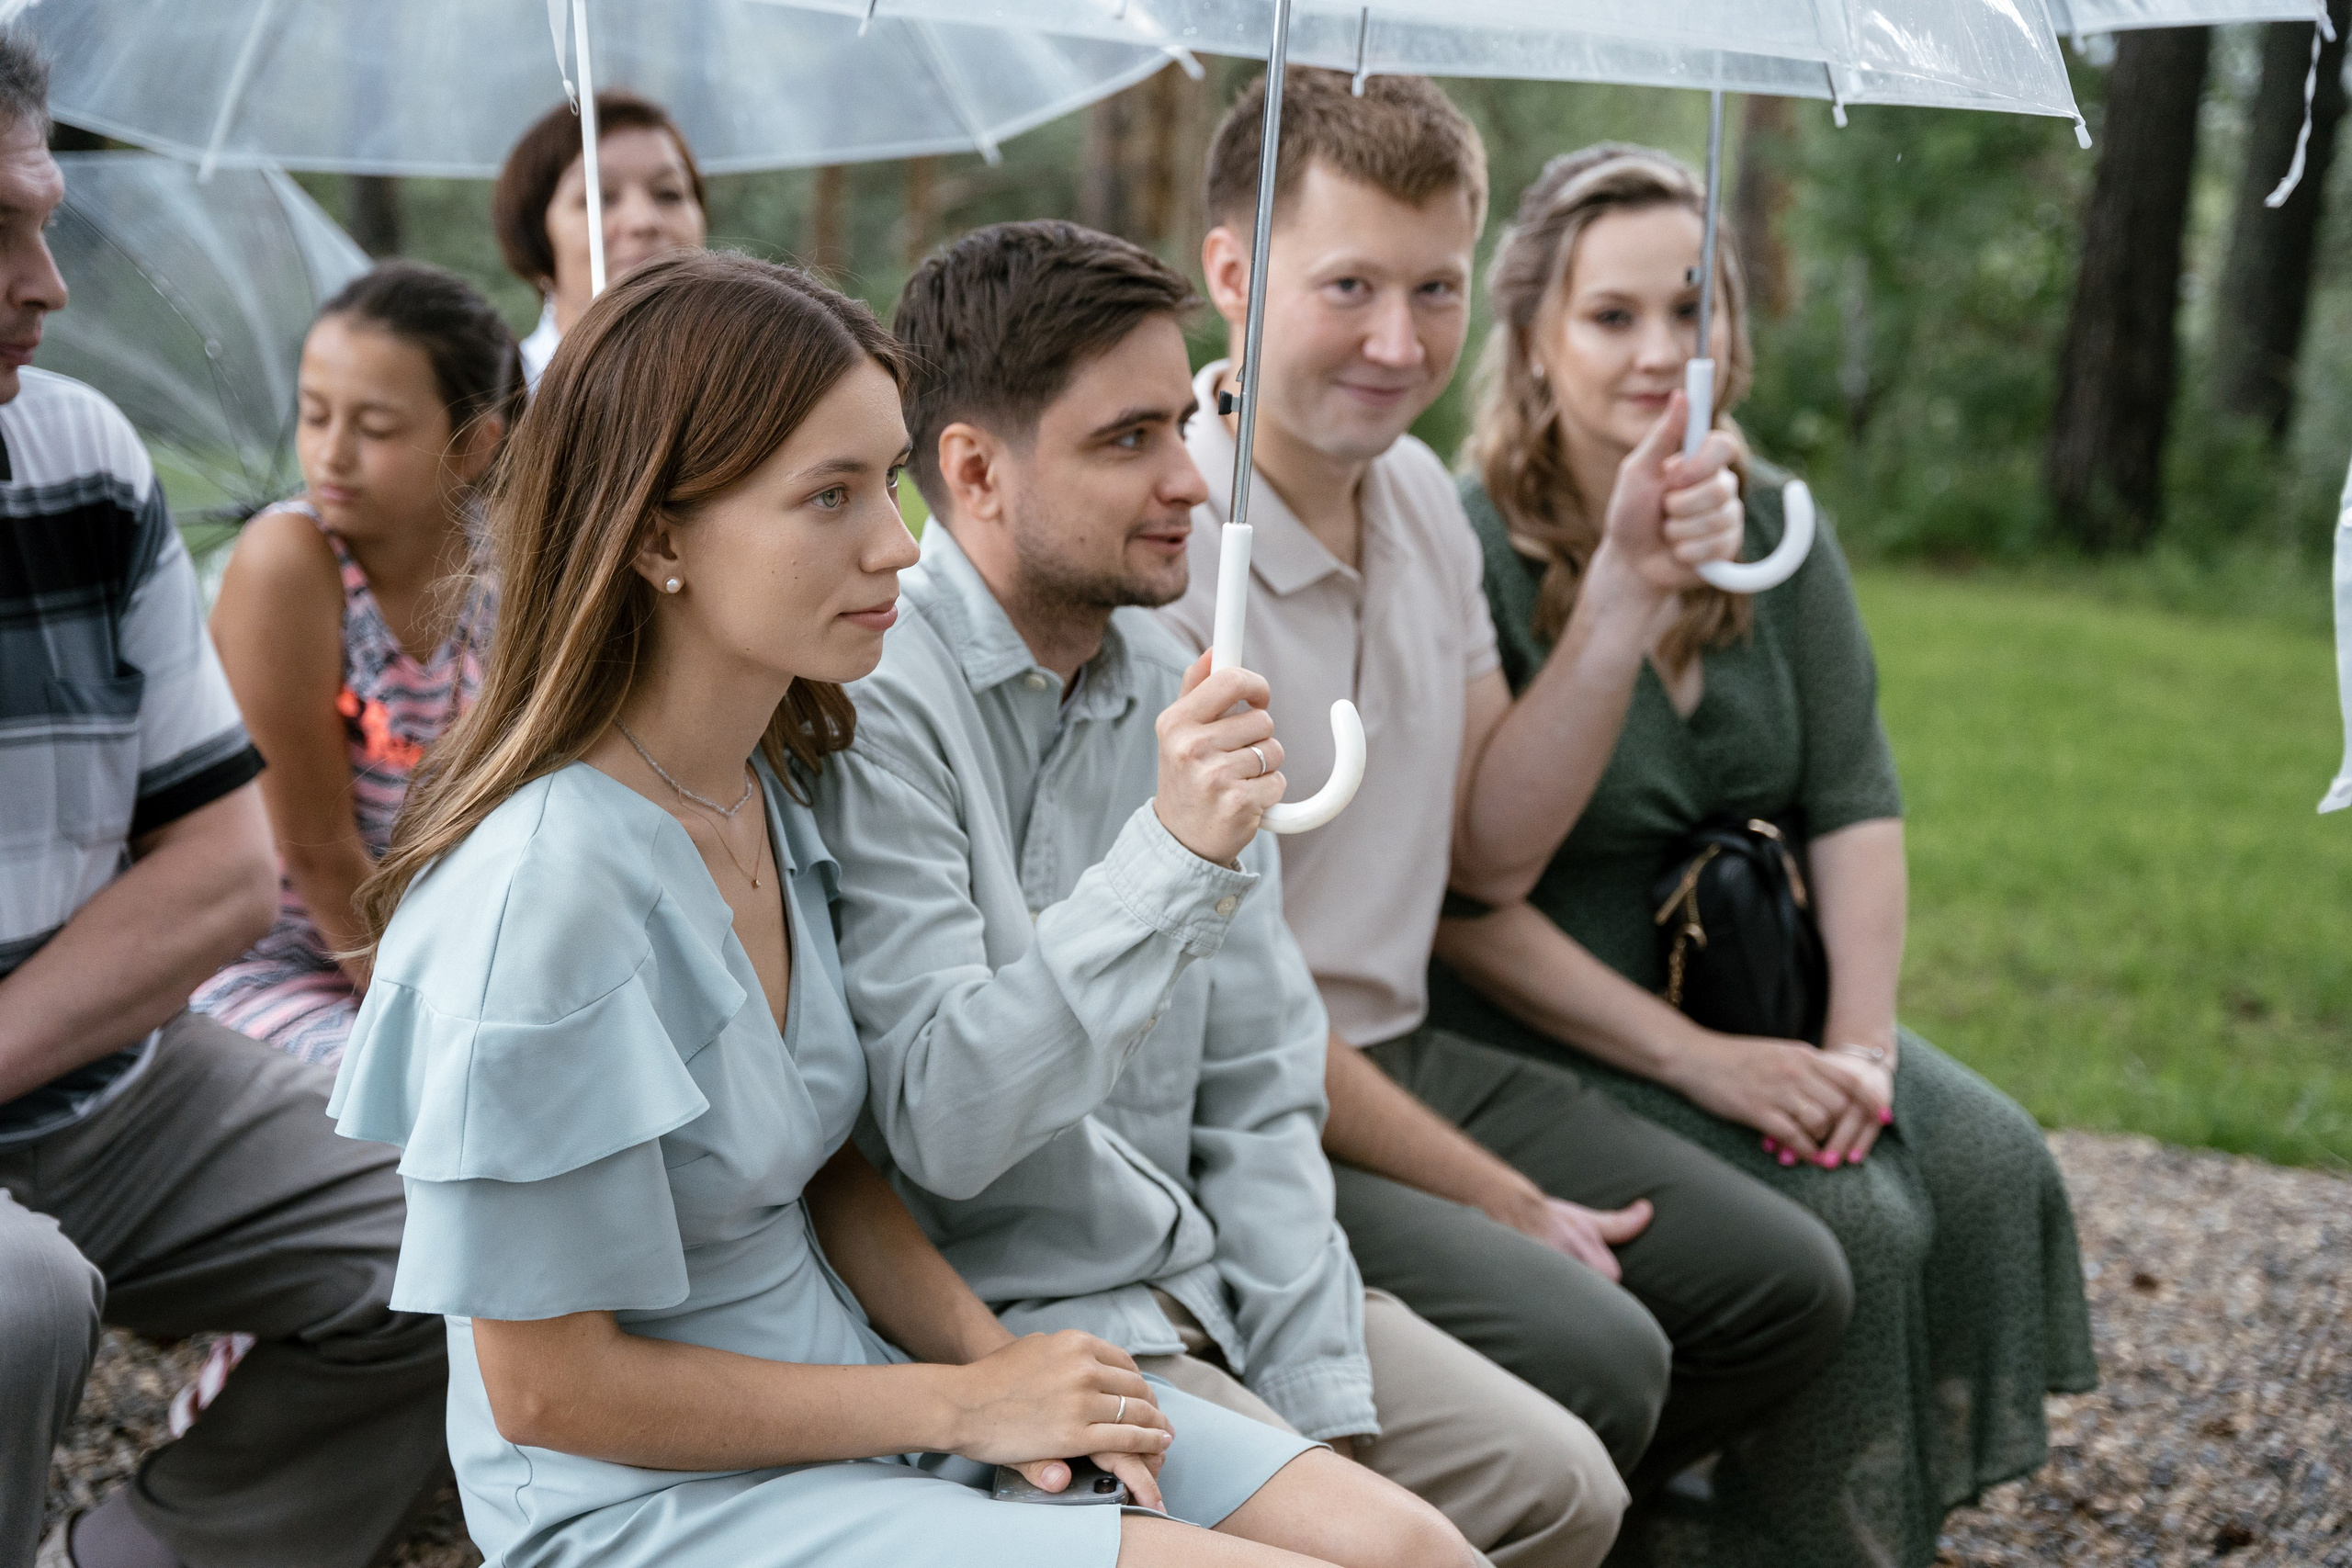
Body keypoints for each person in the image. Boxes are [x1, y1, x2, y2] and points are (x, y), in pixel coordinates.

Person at [331, 245, 1454, 1568]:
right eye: (829, 496)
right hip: (662, 1500)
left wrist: (1003, 1367)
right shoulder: (544, 896)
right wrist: (960, 1404)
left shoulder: (762, 786)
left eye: (886, 479)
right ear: (656, 536)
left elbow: (825, 1166)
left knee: (1413, 1551)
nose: (899, 542)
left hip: (865, 1382)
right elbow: (549, 1392)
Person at [815, 219, 1621, 1568]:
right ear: (975, 471)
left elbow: (1259, 1085)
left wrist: (1316, 1393)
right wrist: (1173, 855)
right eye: (1129, 439)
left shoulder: (1172, 676)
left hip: (1207, 1281)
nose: (1191, 477)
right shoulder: (876, 709)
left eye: (1181, 427)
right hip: (1020, 1327)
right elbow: (947, 1128)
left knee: (1562, 1487)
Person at [1159, 69, 1855, 1510]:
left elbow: (1490, 852)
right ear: (1232, 275)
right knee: (1600, 1349)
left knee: (1784, 1281)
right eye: (1348, 287)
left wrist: (1625, 589)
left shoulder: (1420, 496)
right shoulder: (1170, 549)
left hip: (1401, 1042)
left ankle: (1553, 1523)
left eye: (1436, 287)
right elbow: (1230, 1010)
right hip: (1239, 1098)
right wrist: (1500, 1195)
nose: (1399, 340)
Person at [1423, 144, 2097, 1568]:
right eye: (1612, 315)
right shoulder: (1466, 544)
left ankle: (1851, 1507)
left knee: (1982, 1159)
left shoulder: (1780, 527)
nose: (1659, 350)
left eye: (1693, 307)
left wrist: (1858, 1044)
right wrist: (1705, 1063)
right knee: (1858, 1217)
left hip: (1753, 979)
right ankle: (1766, 1537)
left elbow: (1854, 799)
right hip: (1553, 1006)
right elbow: (1457, 900)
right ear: (1534, 337)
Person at [0, 31, 450, 1568]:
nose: (50, 286)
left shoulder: (83, 461)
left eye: (47, 222)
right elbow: (312, 863)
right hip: (187, 1026)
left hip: (107, 1077)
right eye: (0, 231)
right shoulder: (287, 565)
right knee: (19, 1301)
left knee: (466, 1237)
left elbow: (219, 869)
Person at [190, 262, 518, 1066]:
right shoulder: (287, 563)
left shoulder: (507, 563)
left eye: (374, 428)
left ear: (475, 443)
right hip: (278, 949)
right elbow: (318, 853)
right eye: (314, 415)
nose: (331, 454)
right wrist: (436, 1021)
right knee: (431, 1089)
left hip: (449, 941)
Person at [492, 89, 707, 387]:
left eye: (668, 193)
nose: (644, 221)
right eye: (601, 198)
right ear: (535, 234)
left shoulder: (757, 388)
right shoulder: (499, 400)